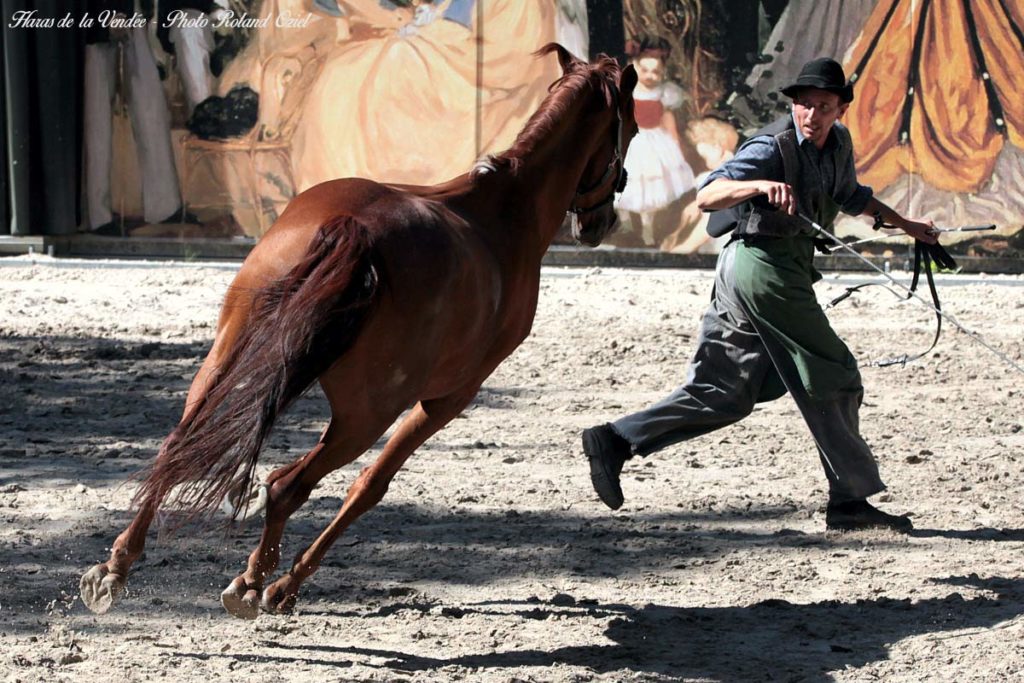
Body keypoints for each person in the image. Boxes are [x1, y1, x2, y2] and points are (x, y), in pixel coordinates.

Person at [582, 57, 938, 532]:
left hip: (765, 271)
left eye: (823, 105)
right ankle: (850, 502)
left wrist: (908, 225)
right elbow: (708, 196)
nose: (811, 114)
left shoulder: (839, 144)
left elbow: (852, 195)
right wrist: (761, 184)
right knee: (835, 376)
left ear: (840, 110)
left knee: (726, 392)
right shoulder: (772, 145)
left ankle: (616, 440)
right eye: (804, 104)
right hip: (762, 269)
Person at [613, 36, 694, 247]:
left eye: (655, 72)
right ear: (634, 68)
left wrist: (676, 144)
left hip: (655, 142)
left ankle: (648, 227)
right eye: (645, 70)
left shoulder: (664, 93)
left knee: (652, 186)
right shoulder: (628, 92)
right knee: (628, 184)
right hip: (632, 141)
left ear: (662, 72)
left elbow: (668, 121)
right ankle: (626, 223)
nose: (650, 76)